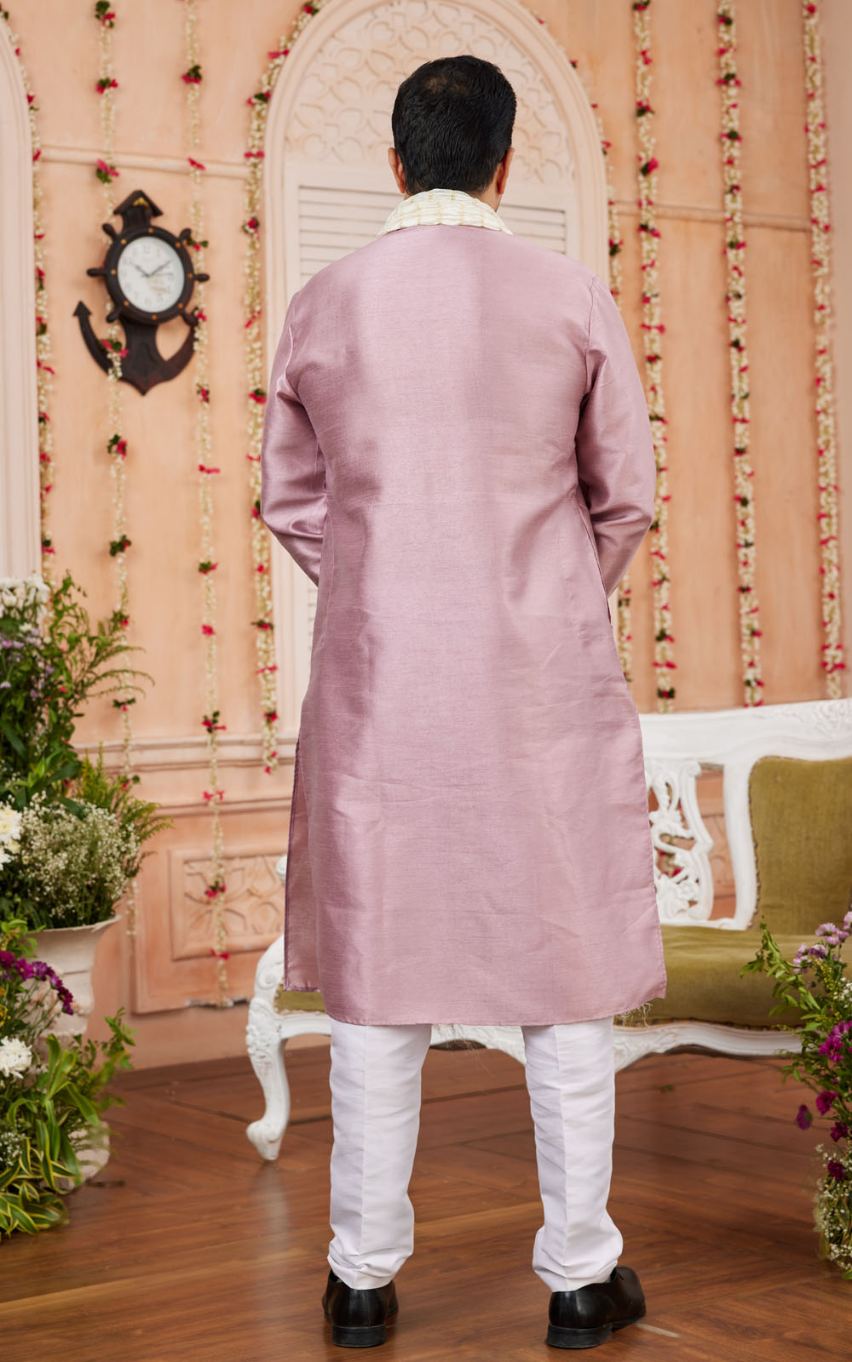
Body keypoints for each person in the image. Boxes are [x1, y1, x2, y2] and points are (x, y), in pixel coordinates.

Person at [260, 53, 666, 1352]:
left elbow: (291, 500)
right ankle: (581, 1277)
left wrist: (391, 586)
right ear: (503, 163)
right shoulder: (570, 297)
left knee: (377, 980)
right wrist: (545, 593)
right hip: (541, 683)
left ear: (396, 161)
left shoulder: (326, 303)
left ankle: (361, 1276)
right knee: (566, 978)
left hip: (378, 686)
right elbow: (630, 494)